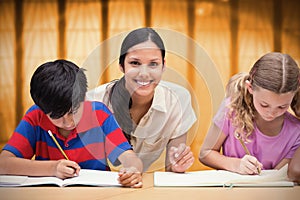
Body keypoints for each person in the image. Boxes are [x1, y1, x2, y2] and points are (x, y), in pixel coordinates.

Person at [0, 60, 143, 188]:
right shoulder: (35, 116)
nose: (68, 122)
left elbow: (129, 157)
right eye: (56, 116)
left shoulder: (99, 114)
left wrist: (132, 170)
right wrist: (52, 168)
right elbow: (3, 164)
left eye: (74, 111)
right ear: (42, 110)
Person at [86, 27, 196, 172]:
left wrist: (178, 164)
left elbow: (172, 167)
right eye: (135, 63)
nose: (144, 73)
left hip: (141, 186)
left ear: (163, 66)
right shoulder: (93, 101)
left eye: (153, 64)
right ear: (121, 65)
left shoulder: (178, 99)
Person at [199, 52, 300, 175]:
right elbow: (205, 153)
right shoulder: (231, 109)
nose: (271, 113)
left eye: (282, 106)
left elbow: (276, 177)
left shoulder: (296, 132)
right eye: (264, 104)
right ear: (250, 88)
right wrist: (236, 165)